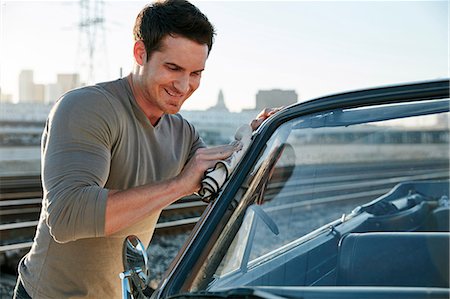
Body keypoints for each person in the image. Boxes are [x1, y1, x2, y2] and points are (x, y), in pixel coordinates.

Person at [13, 0, 279, 298]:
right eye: (173, 68)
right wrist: (179, 184)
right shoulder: (87, 107)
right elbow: (66, 217)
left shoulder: (182, 132)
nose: (183, 85)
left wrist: (251, 138)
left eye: (196, 73)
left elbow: (215, 179)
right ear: (141, 53)